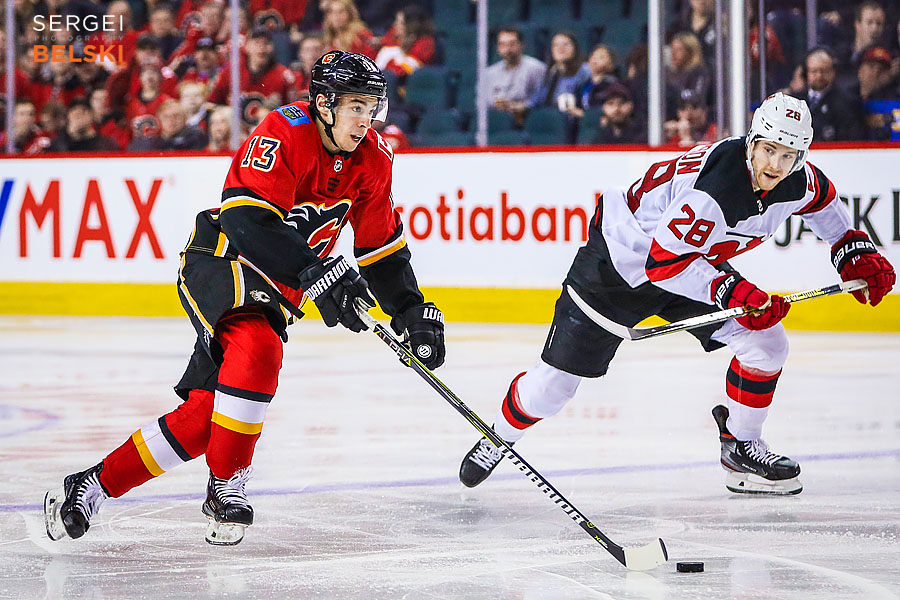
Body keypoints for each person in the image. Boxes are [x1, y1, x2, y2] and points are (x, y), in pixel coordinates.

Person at [43, 50, 446, 546]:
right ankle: (226, 484)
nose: (366, 120)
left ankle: (92, 485)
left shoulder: (375, 159)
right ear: (324, 104)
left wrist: (411, 309)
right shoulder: (285, 130)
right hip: (223, 259)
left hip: (278, 289)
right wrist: (317, 272)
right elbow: (246, 218)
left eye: (371, 107)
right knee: (258, 348)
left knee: (206, 419)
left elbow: (381, 249)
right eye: (355, 107)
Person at [458, 92, 894, 496]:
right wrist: (733, 291)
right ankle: (498, 436)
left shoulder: (797, 178)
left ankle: (741, 448)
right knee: (552, 389)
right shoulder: (715, 189)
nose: (776, 165)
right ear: (752, 142)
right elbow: (663, 264)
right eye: (768, 150)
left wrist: (850, 248)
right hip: (620, 266)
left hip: (687, 259)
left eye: (788, 155)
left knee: (765, 343)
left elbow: (823, 202)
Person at [481, 27, 546, 122]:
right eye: (502, 44)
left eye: (512, 44)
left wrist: (517, 106)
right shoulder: (490, 73)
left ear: (521, 45)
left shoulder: (536, 68)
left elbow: (539, 99)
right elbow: (485, 102)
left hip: (527, 119)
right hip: (498, 119)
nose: (507, 49)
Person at [804, 47, 865, 141]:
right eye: (814, 71)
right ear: (807, 73)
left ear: (833, 72)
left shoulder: (847, 102)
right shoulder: (794, 100)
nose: (819, 76)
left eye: (824, 71)